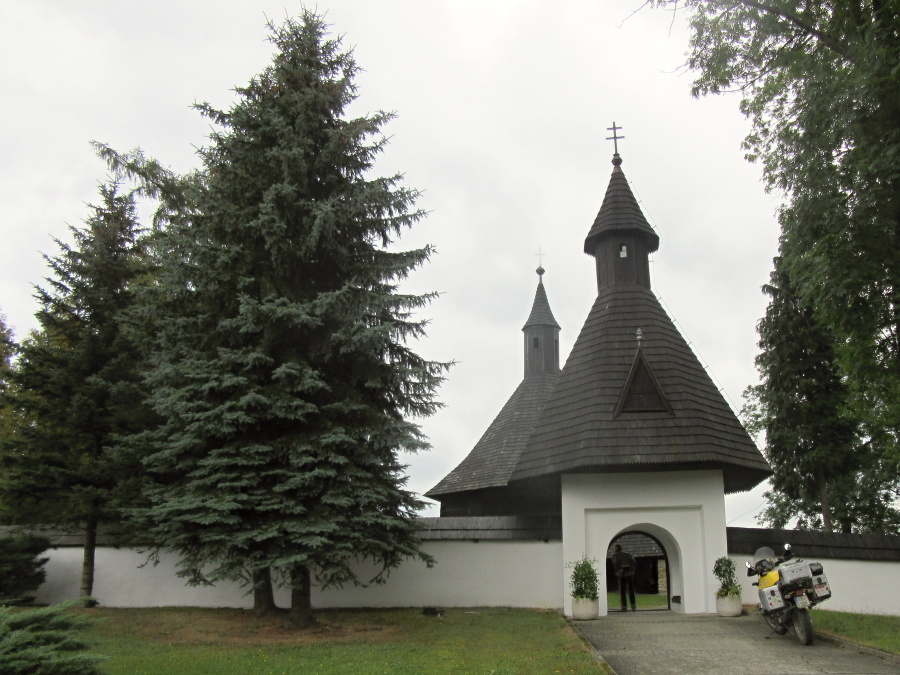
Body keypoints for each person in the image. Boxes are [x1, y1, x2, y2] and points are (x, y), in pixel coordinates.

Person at [612, 543, 637, 611]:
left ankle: (624, 606)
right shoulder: (628, 554)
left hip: (622, 573)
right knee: (631, 589)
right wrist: (631, 571)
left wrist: (621, 572)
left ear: (617, 549)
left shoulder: (615, 556)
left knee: (622, 590)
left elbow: (616, 564)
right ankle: (633, 605)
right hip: (629, 571)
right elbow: (633, 561)